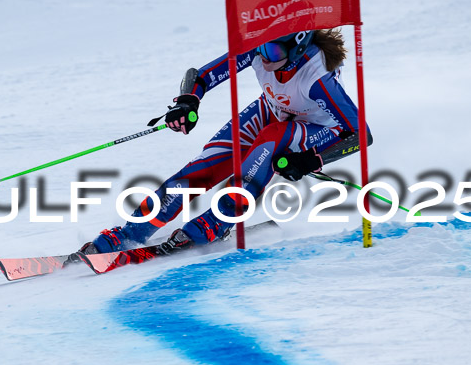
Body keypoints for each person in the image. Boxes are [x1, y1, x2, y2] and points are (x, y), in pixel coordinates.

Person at [79, 29, 370, 255]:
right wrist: (187, 102)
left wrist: (312, 160)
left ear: (299, 45)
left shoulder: (316, 78)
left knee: (271, 138)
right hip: (272, 109)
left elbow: (359, 134)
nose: (264, 56)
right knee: (205, 167)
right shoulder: (261, 50)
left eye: (273, 49)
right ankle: (134, 231)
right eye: (261, 46)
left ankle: (220, 220)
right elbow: (202, 75)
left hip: (319, 127)